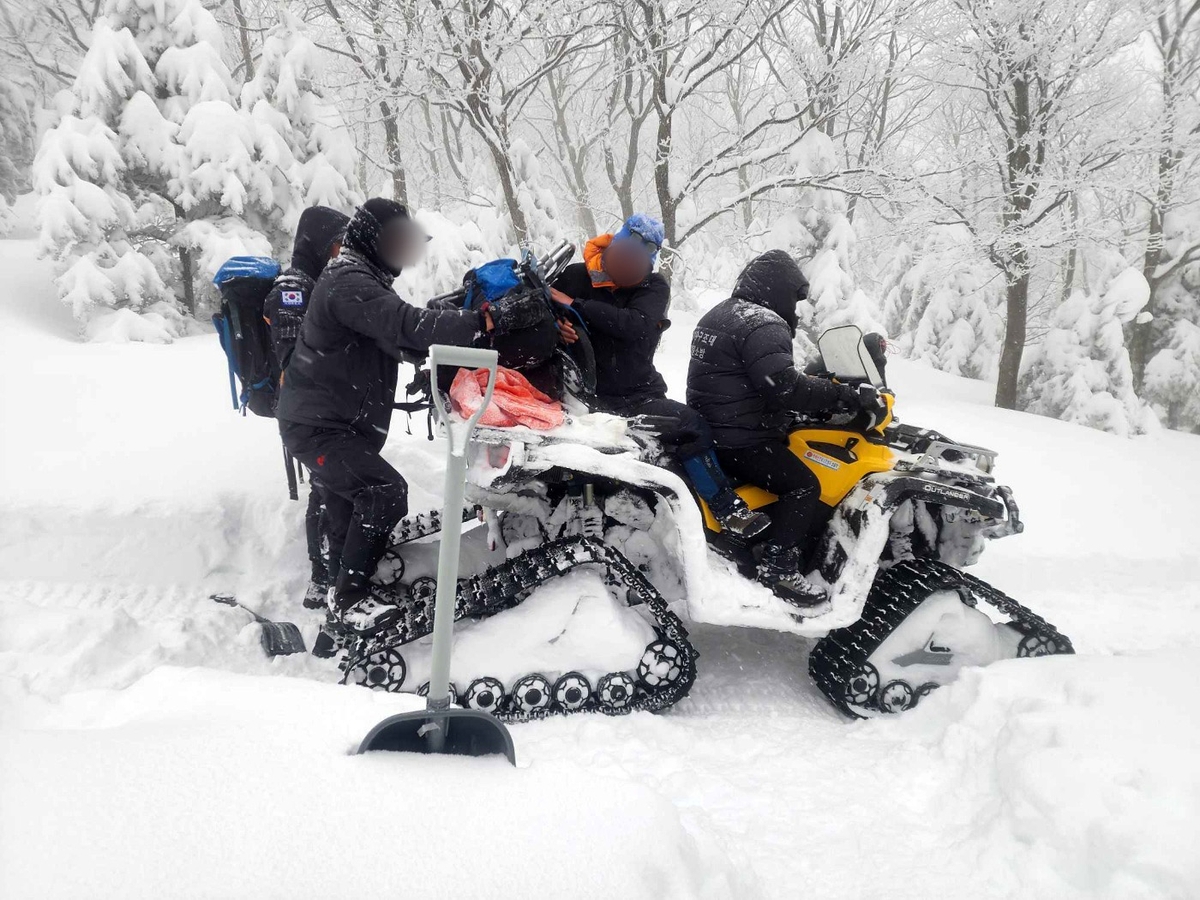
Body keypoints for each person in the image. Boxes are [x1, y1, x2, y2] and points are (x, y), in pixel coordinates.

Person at [275, 198, 544, 634]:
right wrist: (488, 321)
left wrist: (448, 331)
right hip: (320, 427)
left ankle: (338, 620)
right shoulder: (347, 279)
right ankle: (349, 602)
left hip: (339, 425)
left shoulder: (365, 280)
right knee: (384, 492)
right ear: (368, 239)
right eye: (396, 240)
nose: (404, 251)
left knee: (347, 518)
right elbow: (406, 328)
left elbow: (402, 341)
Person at [686, 250, 885, 606]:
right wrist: (845, 395)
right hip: (740, 439)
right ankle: (779, 567)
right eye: (794, 299)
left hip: (713, 428)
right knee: (805, 484)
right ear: (780, 288)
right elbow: (784, 386)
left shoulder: (721, 314)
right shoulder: (763, 322)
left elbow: (746, 379)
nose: (794, 309)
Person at [551, 214, 769, 538]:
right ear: (612, 247)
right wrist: (558, 326)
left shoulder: (653, 287)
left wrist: (577, 306)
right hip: (584, 399)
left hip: (638, 396)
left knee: (691, 426)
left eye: (637, 263)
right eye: (624, 256)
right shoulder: (574, 276)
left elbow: (633, 325)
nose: (627, 267)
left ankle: (724, 507)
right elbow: (543, 311)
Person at [264, 205, 350, 610]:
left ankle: (329, 577)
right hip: (307, 415)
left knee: (328, 490)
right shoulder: (291, 289)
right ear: (315, 241)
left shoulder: (312, 281)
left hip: (322, 410)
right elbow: (294, 358)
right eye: (333, 243)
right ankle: (323, 580)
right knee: (325, 491)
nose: (337, 252)